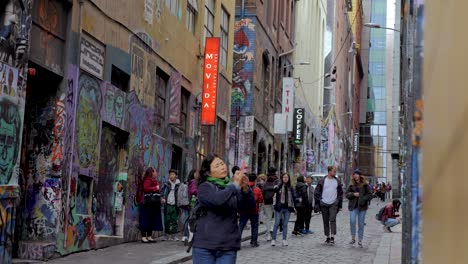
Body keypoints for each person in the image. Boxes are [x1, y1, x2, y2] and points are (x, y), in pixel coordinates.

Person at [192, 154, 254, 264]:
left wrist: (245, 189)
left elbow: (249, 207)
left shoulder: (231, 188)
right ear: (208, 172)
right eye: (217, 166)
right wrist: (234, 185)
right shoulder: (204, 187)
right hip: (205, 246)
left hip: (227, 246)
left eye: (222, 163)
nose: (222, 167)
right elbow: (217, 200)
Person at [314, 165, 344, 244]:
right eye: (334, 171)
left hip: (333, 203)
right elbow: (316, 192)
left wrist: (339, 204)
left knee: (332, 219)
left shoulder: (337, 181)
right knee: (325, 220)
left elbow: (340, 193)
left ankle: (332, 236)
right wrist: (320, 201)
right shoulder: (322, 181)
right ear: (329, 171)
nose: (335, 172)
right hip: (324, 203)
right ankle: (327, 236)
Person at [346, 169, 373, 248]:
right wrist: (353, 194)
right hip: (353, 206)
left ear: (360, 175)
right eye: (354, 174)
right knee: (352, 221)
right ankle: (353, 238)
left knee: (361, 224)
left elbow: (369, 195)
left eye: (357, 174)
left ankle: (360, 240)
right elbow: (347, 194)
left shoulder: (365, 185)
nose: (355, 176)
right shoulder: (351, 184)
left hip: (362, 207)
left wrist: (363, 198)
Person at [239, 173, 264, 247]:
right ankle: (254, 241)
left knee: (241, 225)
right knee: (255, 225)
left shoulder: (242, 188)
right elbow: (261, 200)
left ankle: (237, 242)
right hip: (254, 210)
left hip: (243, 210)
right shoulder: (257, 189)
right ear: (255, 180)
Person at [271, 173, 296, 247]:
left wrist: (296, 204)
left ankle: (284, 240)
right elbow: (275, 190)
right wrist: (276, 187)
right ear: (282, 178)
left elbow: (294, 197)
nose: (285, 178)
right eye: (284, 177)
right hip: (279, 208)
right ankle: (273, 239)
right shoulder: (279, 186)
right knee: (277, 223)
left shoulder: (291, 187)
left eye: (287, 177)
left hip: (287, 208)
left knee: (285, 224)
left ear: (288, 179)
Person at [139, 167, 163, 243]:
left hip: (153, 204)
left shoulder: (154, 180)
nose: (156, 173)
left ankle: (149, 236)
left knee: (151, 219)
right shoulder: (148, 180)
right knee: (145, 219)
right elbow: (146, 188)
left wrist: (160, 199)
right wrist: (155, 188)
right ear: (151, 172)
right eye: (155, 171)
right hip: (147, 203)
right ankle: (143, 237)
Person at [162, 169, 181, 241]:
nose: (171, 176)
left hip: (175, 205)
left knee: (174, 220)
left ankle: (174, 235)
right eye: (170, 174)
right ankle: (166, 235)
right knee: (167, 220)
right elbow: (162, 192)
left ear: (176, 175)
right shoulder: (166, 184)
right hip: (167, 204)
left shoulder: (179, 185)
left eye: (173, 174)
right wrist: (162, 198)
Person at [262, 167, 279, 241]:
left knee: (268, 218)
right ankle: (272, 229)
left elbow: (262, 191)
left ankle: (269, 233)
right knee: (275, 217)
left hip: (266, 201)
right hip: (275, 201)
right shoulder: (277, 180)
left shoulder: (266, 181)